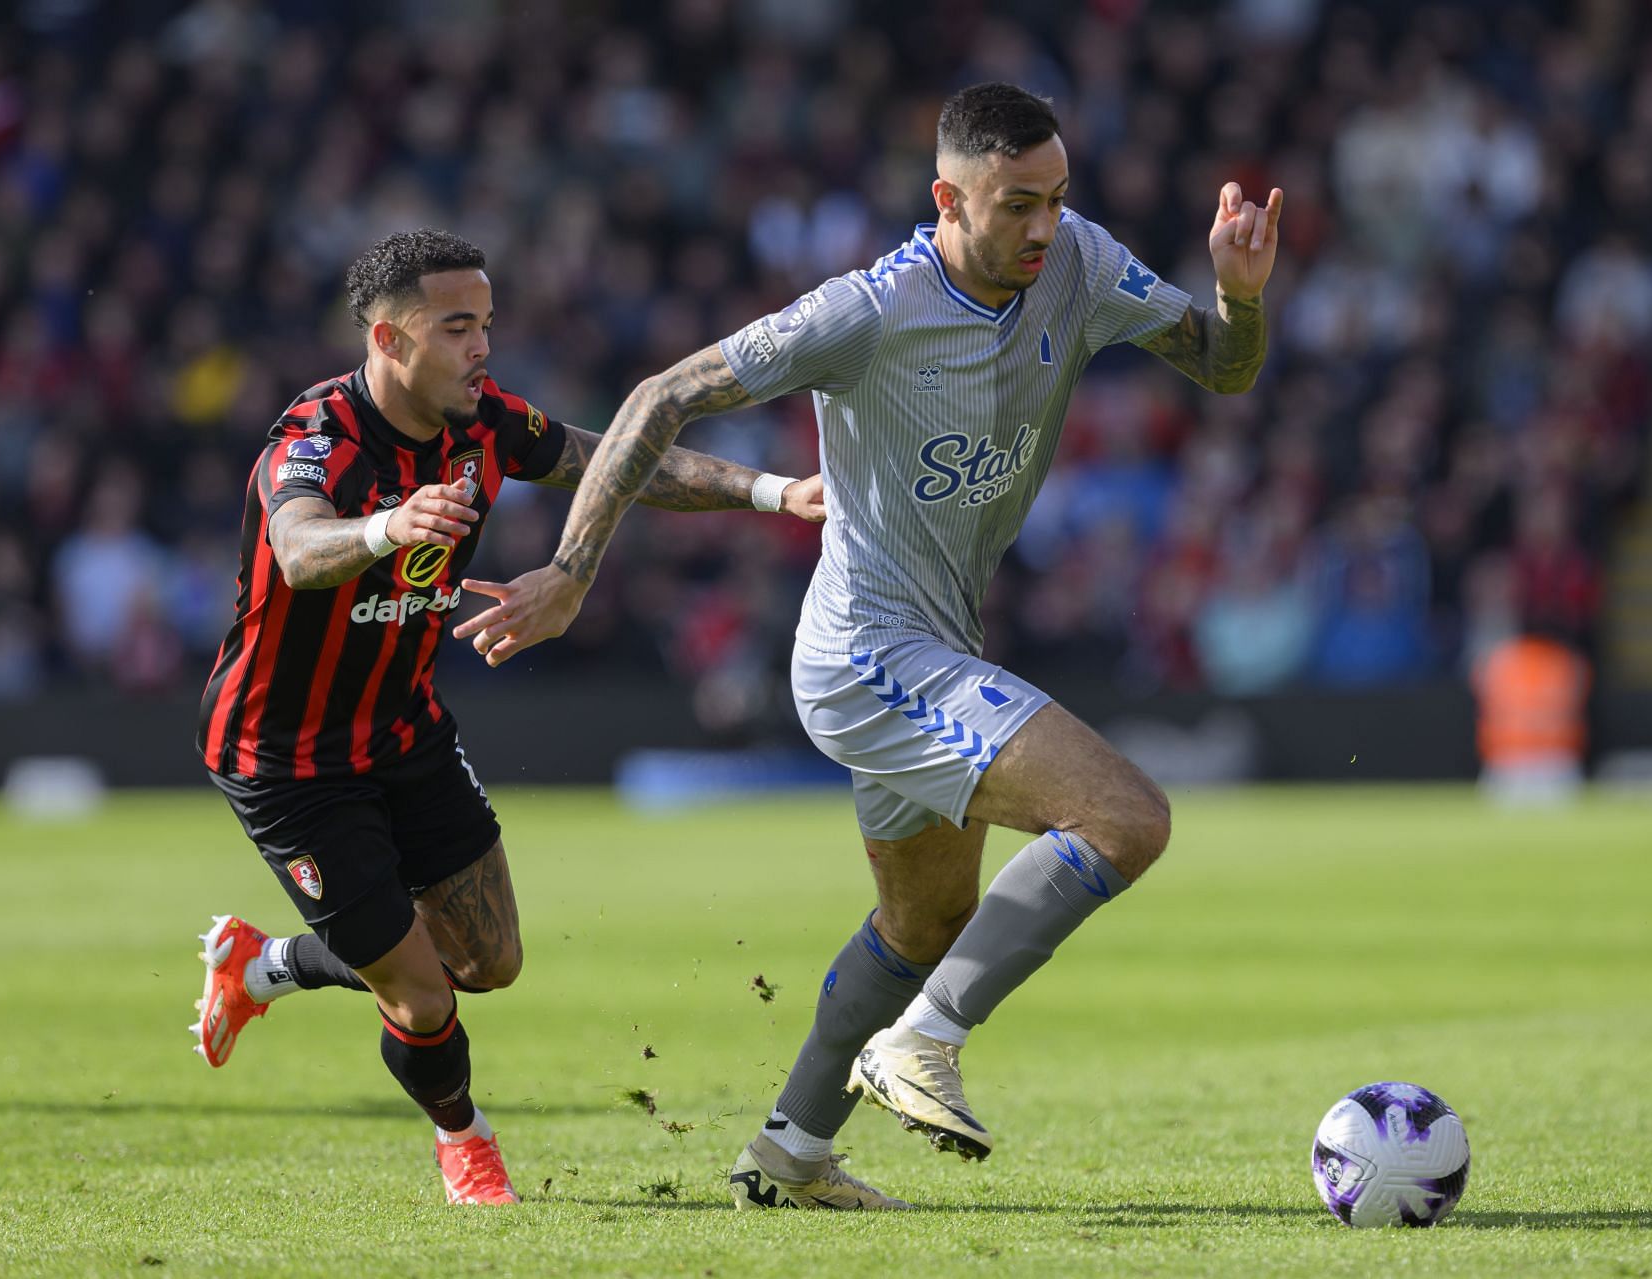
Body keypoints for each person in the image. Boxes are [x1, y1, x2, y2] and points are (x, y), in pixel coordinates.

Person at [457, 84, 1282, 1210]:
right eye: (1016, 206)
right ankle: (922, 1041)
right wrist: (571, 570)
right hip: (866, 653)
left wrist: (1241, 299)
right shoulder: (869, 309)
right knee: (1126, 816)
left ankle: (791, 1151)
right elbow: (665, 394)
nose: (1044, 227)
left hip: (936, 641)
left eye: (1058, 199)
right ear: (949, 198)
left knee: (923, 917)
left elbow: (1225, 367)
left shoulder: (1081, 263)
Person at [191, 228, 823, 1206]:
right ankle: (467, 1142)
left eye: (486, 323)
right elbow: (301, 544)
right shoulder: (312, 440)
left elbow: (610, 459)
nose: (482, 347)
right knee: (422, 994)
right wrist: (385, 528)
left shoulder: (483, 423)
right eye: (457, 328)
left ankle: (262, 964)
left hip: (404, 727)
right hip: (289, 756)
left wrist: (777, 491)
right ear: (390, 339)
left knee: (489, 961)